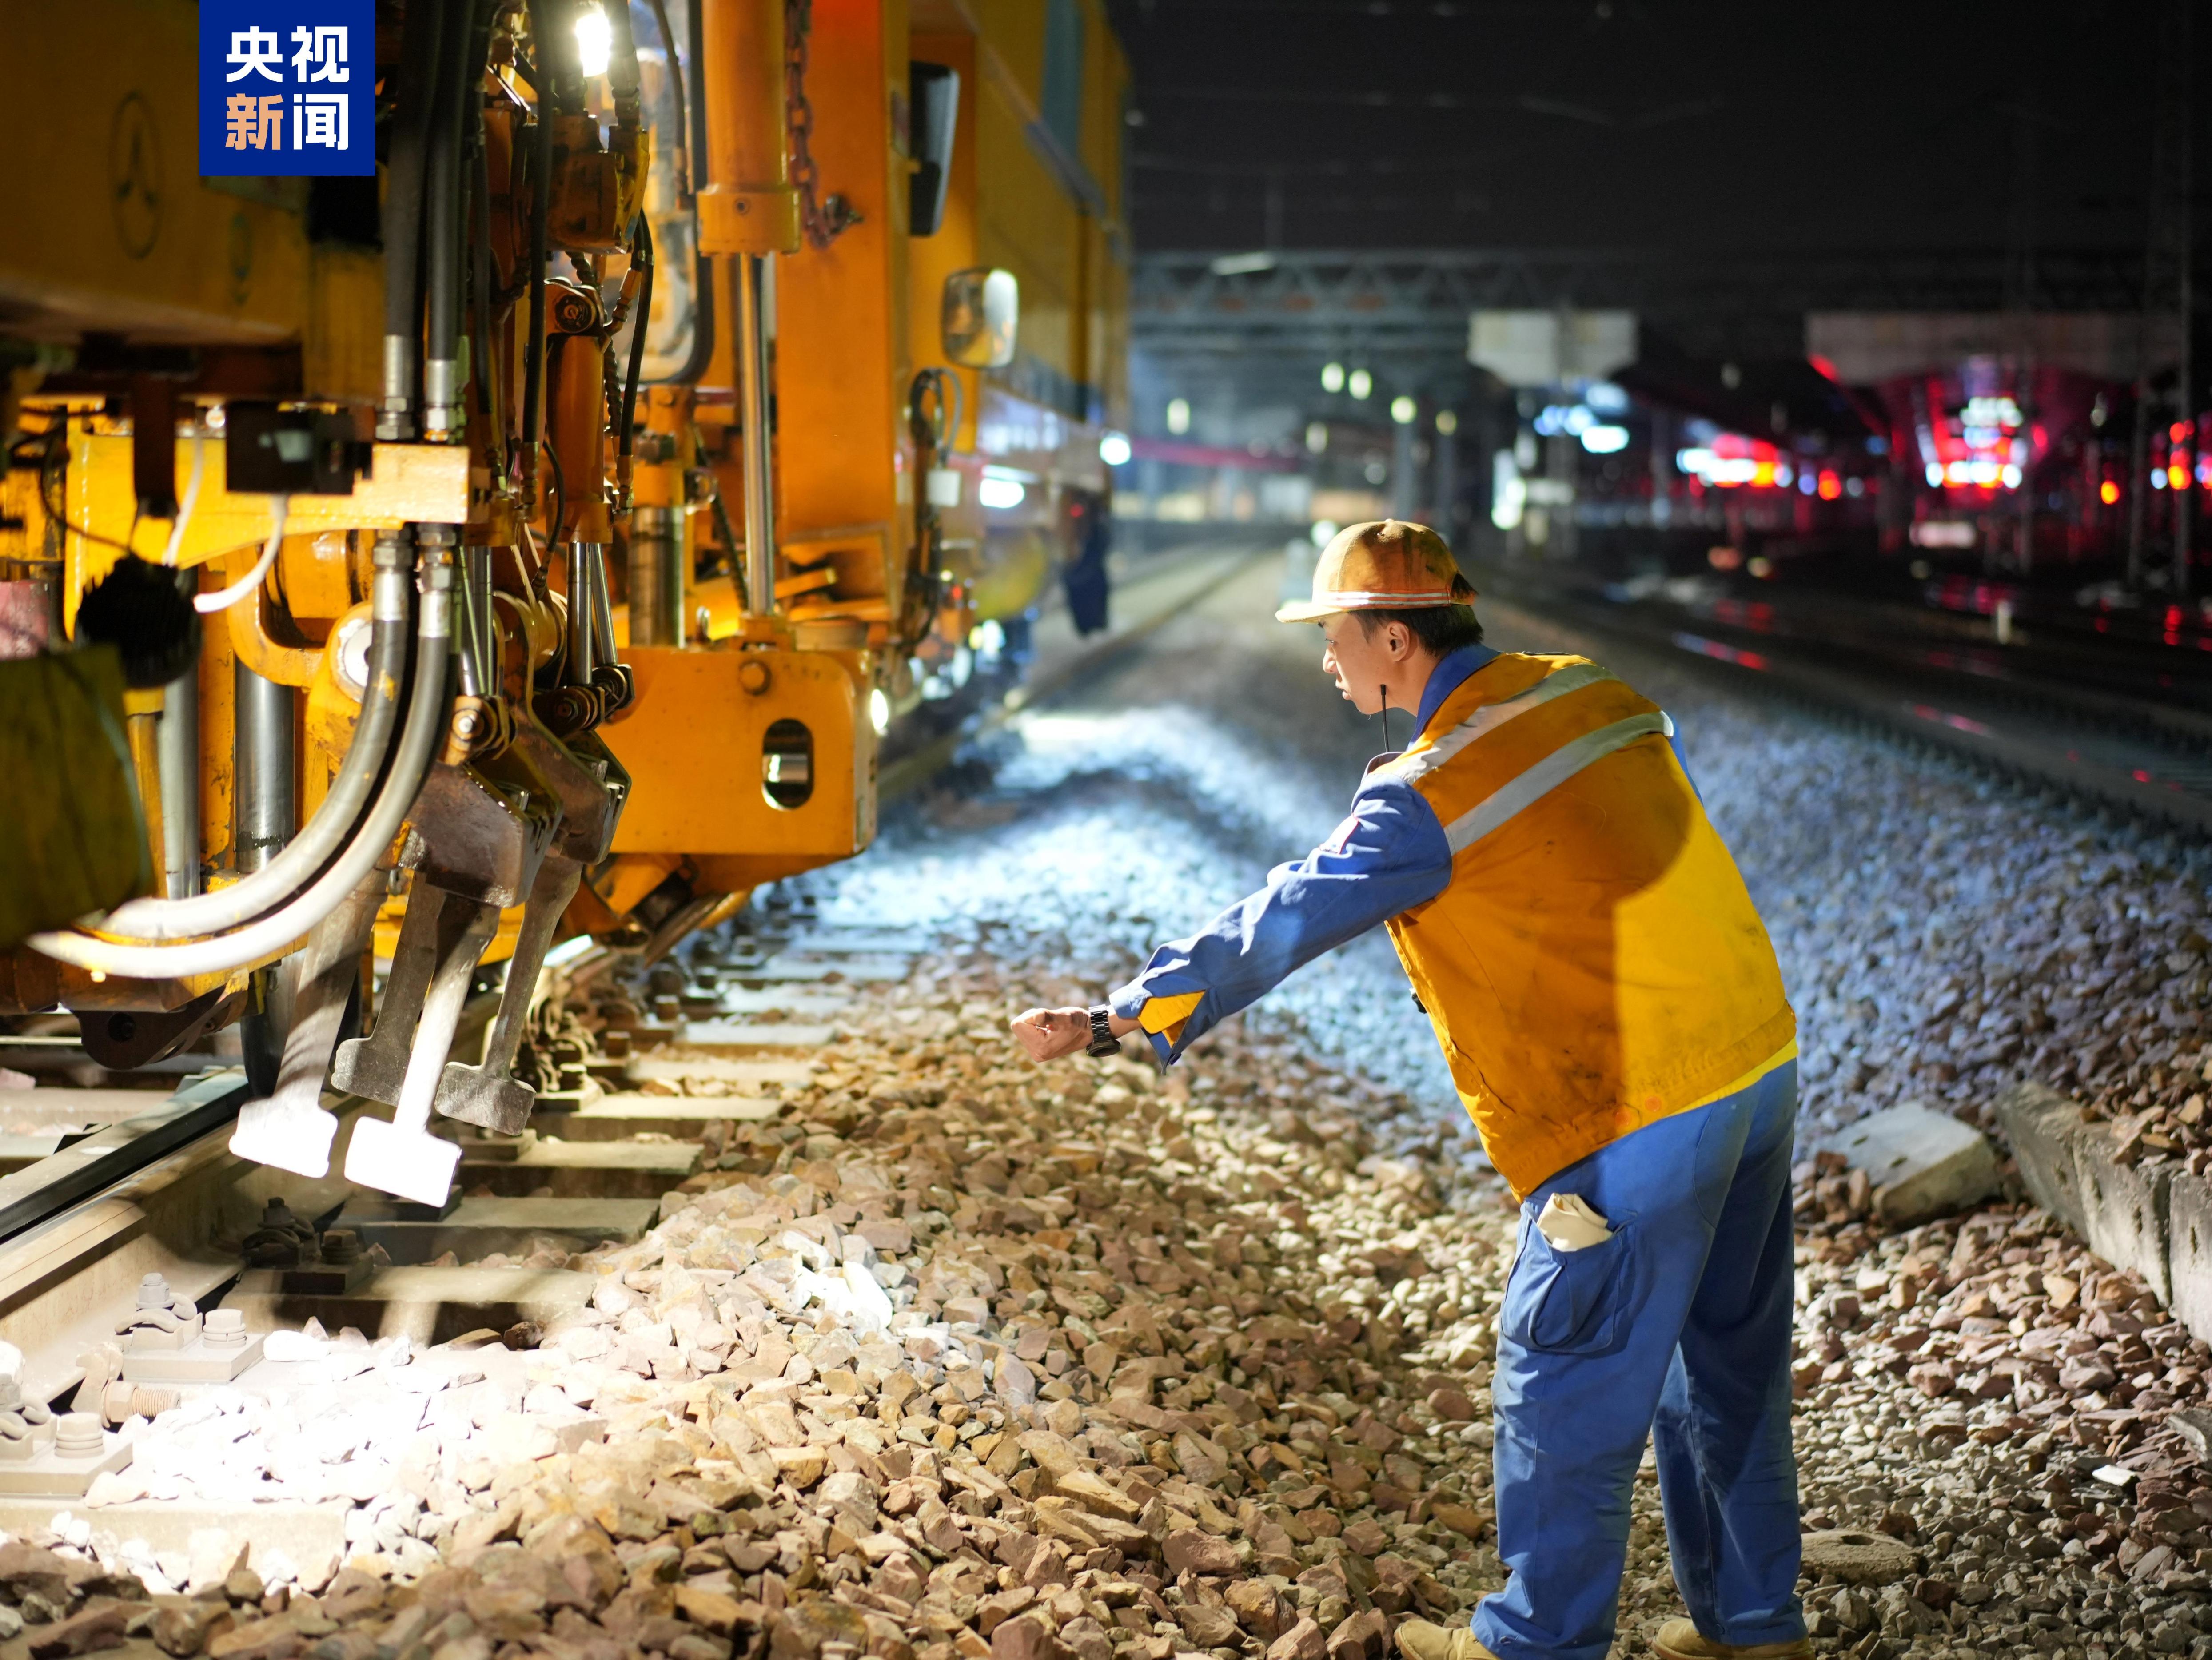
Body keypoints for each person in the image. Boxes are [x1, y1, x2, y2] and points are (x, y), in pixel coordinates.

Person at [1011, 520, 1808, 1660]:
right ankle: (1758, 1625)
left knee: (1563, 1381)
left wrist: (1117, 1016)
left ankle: (1536, 1644)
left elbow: (1286, 916)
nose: (1325, 659)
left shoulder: (1428, 791)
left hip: (1640, 1106)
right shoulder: (1589, 691)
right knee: (1724, 1362)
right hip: (1756, 1063)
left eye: (1336, 634)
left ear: (1395, 639)